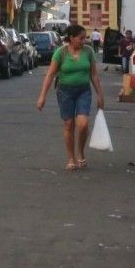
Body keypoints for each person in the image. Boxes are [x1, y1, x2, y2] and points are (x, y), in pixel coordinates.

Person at [36, 24, 105, 171]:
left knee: (83, 123)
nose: (84, 41)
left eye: (84, 38)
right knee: (68, 124)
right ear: (71, 38)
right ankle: (71, 158)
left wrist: (100, 94)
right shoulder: (60, 53)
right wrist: (42, 96)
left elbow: (94, 75)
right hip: (65, 91)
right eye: (80, 38)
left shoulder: (88, 52)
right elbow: (50, 75)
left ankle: (80, 151)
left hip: (83, 91)